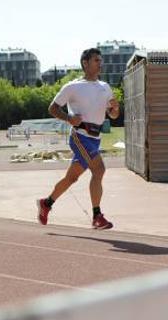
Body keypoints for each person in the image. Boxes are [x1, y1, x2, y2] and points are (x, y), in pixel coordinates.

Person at [37, 47, 119, 230]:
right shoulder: (72, 87)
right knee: (99, 170)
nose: (100, 64)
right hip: (80, 136)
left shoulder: (105, 87)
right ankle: (97, 216)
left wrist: (115, 109)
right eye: (96, 60)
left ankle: (46, 203)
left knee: (72, 178)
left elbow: (113, 115)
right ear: (85, 63)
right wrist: (68, 118)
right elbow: (53, 108)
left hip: (95, 138)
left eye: (100, 60)